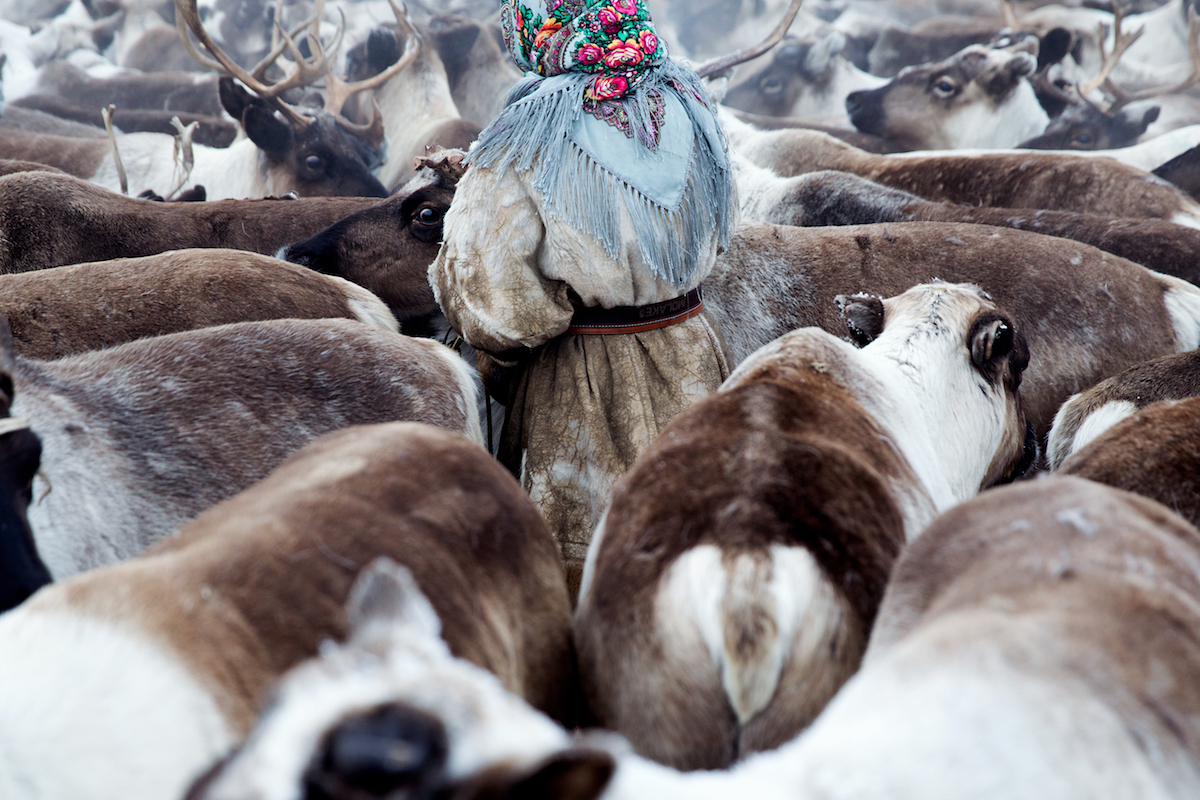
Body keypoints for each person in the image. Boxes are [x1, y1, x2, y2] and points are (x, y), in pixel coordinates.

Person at [430, 0, 735, 596]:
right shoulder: (687, 99)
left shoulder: (530, 128)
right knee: (705, 548)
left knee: (591, 579)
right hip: (695, 359)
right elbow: (719, 228)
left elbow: (497, 298)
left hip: (583, 391)